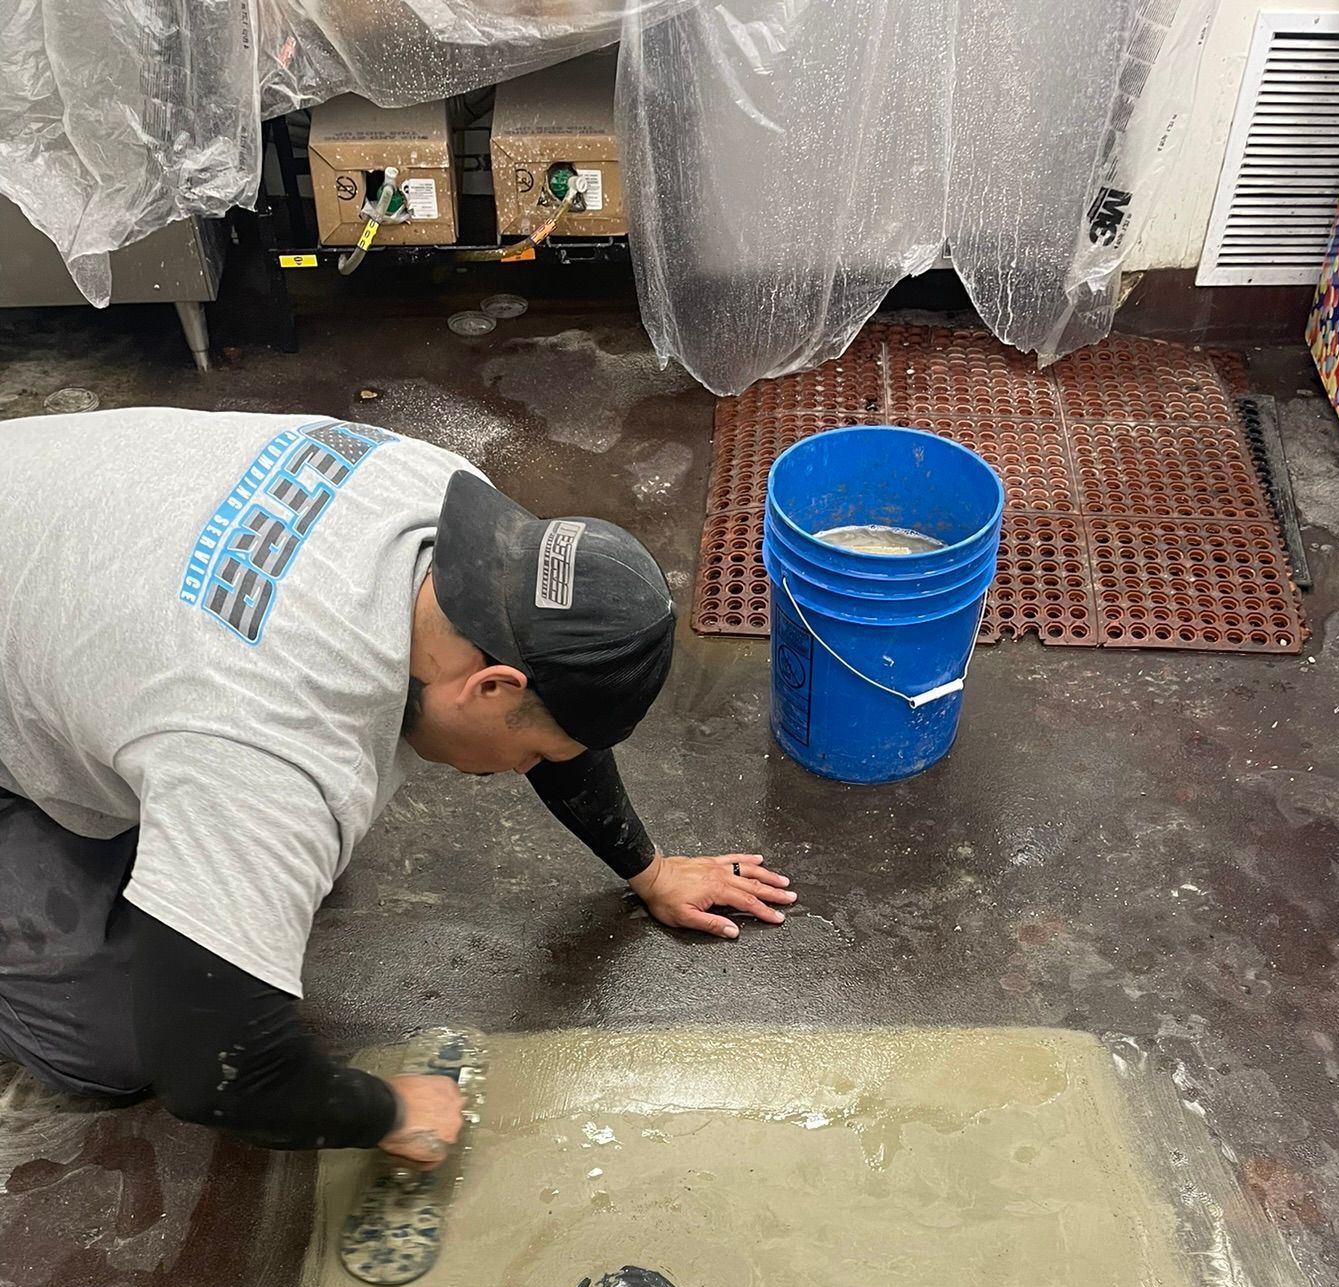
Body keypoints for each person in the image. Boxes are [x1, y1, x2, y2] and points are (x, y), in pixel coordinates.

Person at [0, 408, 794, 1165]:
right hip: (63, 670)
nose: (524, 768)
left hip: (58, 537)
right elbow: (214, 1074)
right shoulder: (277, 745)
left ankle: (138, 765)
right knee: (116, 1041)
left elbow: (553, 703)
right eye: (530, 753)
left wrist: (648, 869)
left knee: (273, 872)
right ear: (491, 687)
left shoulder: (444, 509)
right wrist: (392, 1113)